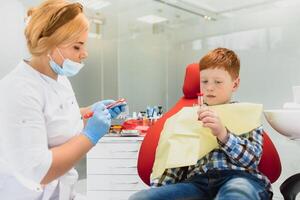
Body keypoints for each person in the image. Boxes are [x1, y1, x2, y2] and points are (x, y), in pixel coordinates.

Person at [0, 0, 125, 199]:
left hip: (64, 191)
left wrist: (90, 111)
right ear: (48, 45)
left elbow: (59, 120)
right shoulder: (18, 90)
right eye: (77, 47)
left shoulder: (59, 78)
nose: (84, 54)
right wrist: (90, 135)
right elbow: (40, 171)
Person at [129, 48, 272, 200]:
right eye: (204, 81)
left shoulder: (245, 114)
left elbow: (252, 160)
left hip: (240, 178)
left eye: (218, 82)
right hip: (197, 183)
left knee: (236, 194)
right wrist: (158, 191)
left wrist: (223, 134)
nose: (209, 87)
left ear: (235, 84)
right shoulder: (185, 117)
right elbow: (173, 164)